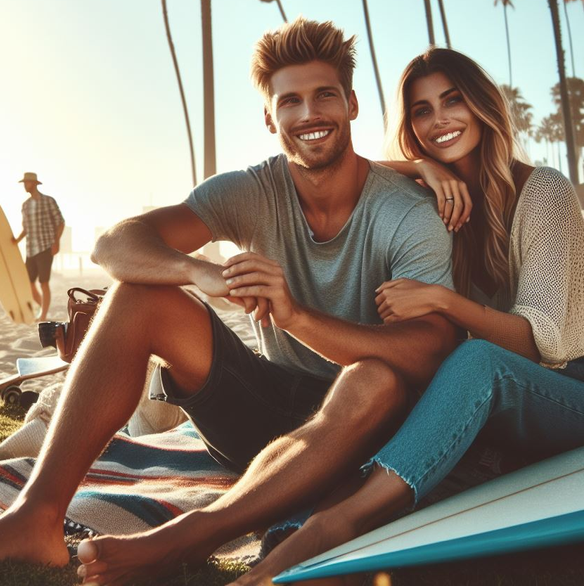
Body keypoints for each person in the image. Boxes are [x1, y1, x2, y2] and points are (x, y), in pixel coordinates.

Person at [0, 18, 458, 584]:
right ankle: (36, 517)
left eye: (324, 96)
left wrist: (297, 317)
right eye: (290, 100)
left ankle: (186, 538)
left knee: (377, 379)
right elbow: (115, 243)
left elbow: (434, 350)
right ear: (270, 116)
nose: (309, 114)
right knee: (140, 295)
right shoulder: (251, 190)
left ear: (353, 104)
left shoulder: (406, 213)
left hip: (365, 433)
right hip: (265, 416)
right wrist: (198, 271)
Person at [223, 48, 584, 586]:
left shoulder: (545, 192)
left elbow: (543, 345)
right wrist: (420, 166)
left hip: (563, 394)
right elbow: (358, 173)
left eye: (452, 101)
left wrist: (443, 302)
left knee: (475, 359)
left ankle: (336, 524)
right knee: (394, 389)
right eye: (421, 110)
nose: (439, 120)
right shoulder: (431, 200)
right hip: (484, 402)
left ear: (481, 106)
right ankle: (290, 538)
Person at [12, 172, 65, 322]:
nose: (24, 186)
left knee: (44, 283)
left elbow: (60, 222)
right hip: (30, 250)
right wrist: (16, 240)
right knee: (29, 284)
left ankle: (43, 315)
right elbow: (26, 228)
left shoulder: (48, 201)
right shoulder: (25, 205)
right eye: (23, 183)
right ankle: (44, 309)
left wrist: (56, 242)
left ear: (34, 184)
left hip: (45, 247)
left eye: (26, 183)